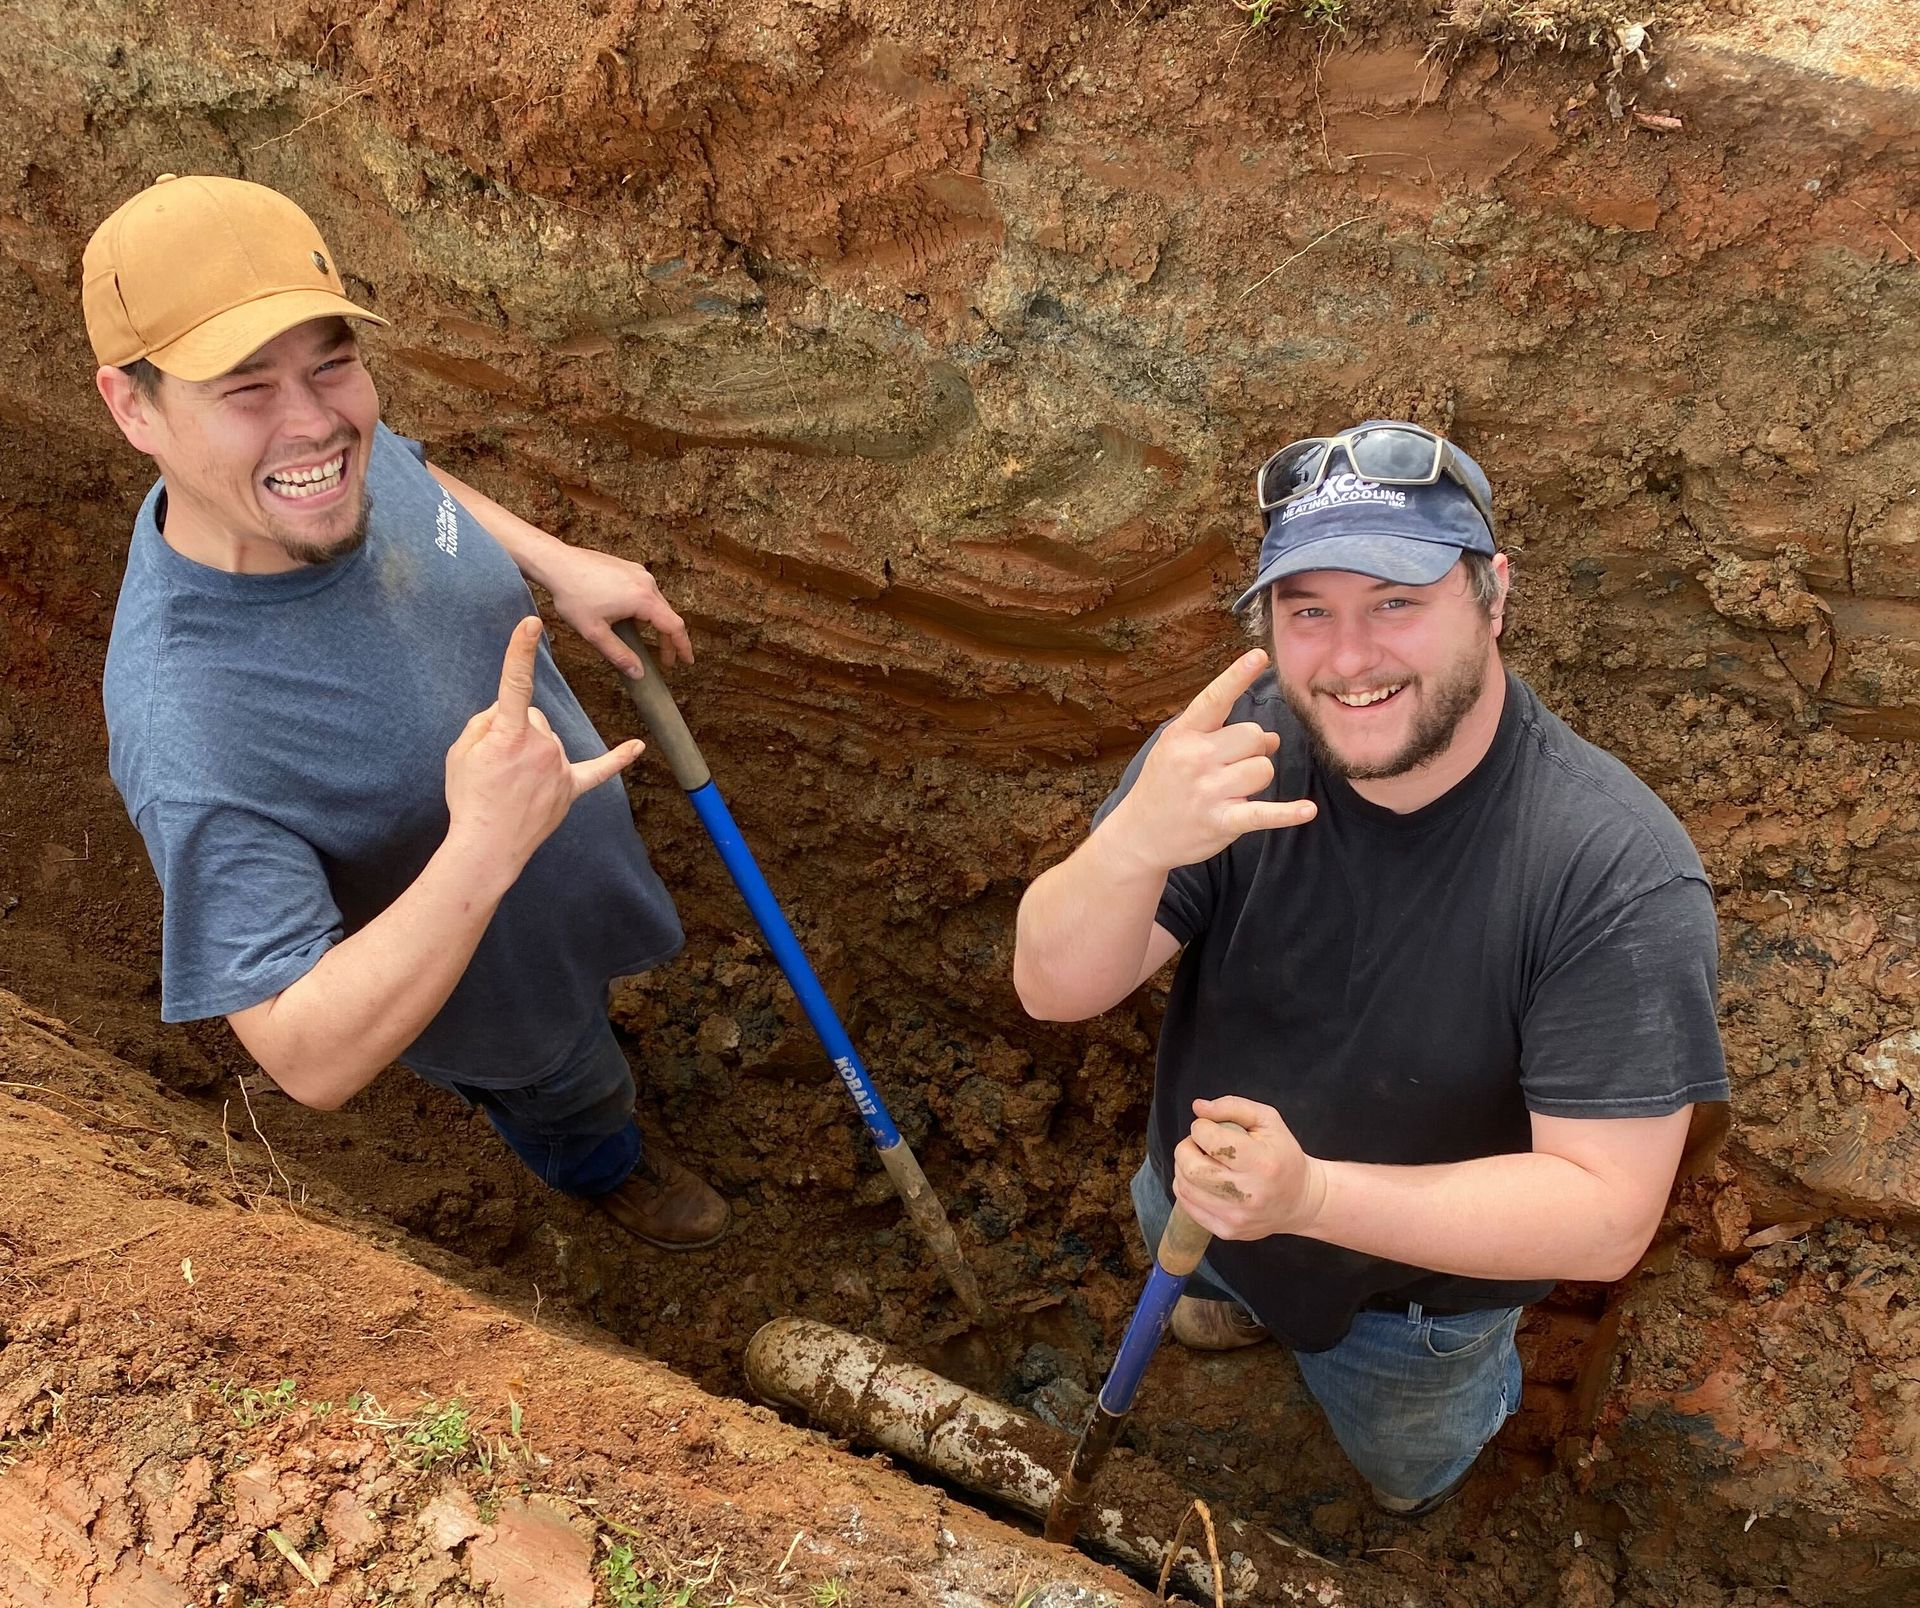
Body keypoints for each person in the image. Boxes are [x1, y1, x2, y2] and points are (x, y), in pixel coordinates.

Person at [1013, 421, 1728, 1516]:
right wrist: (1131, 843)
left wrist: (1309, 1196)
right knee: (1199, 1264)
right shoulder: (1240, 754)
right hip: (1200, 1200)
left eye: (1396, 602)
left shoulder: (1610, 874)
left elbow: (1605, 1213)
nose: (1348, 659)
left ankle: (1426, 1476)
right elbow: (1052, 989)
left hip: (1412, 1315)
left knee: (1406, 1471)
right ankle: (1233, 1301)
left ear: (1493, 595)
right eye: (1310, 611)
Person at [83, 174, 728, 1249]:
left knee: (588, 1002)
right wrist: (484, 847)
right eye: (246, 388)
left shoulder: (322, 456)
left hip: (564, 887)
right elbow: (306, 1055)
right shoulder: (193, 723)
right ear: (132, 405)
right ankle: (599, 1162)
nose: (316, 422)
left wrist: (551, 559)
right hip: (496, 999)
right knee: (567, 1084)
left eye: (332, 361)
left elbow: (408, 477)